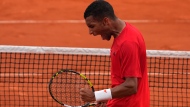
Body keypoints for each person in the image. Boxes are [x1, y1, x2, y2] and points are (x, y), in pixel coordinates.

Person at [80, 0, 150, 107]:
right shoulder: (123, 34)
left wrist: (96, 96)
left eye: (92, 26)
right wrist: (107, 99)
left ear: (105, 21)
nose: (90, 32)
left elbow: (131, 86)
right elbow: (122, 83)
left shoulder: (127, 43)